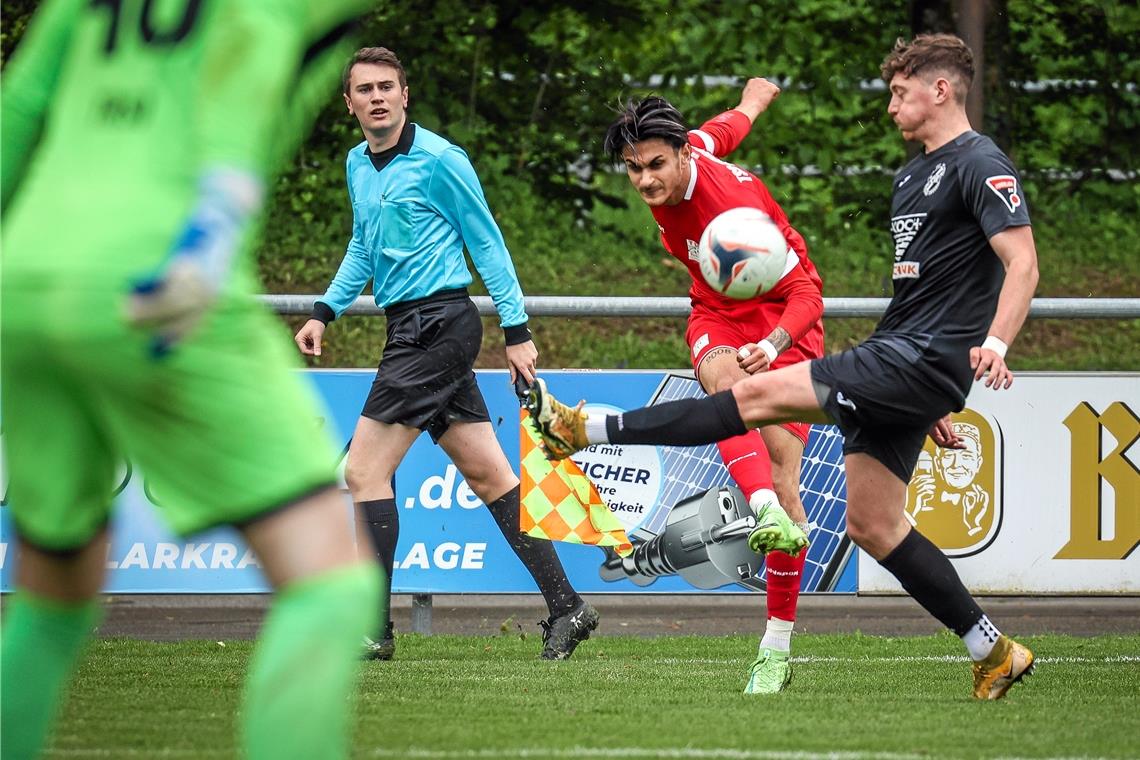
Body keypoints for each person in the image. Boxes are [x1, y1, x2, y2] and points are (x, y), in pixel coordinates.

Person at [528, 33, 1039, 700]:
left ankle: (587, 432)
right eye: (634, 168)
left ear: (939, 89)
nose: (889, 106)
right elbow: (919, 297)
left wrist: (992, 347)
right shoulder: (912, 176)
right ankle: (992, 650)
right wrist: (754, 97)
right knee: (873, 524)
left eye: (898, 92)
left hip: (869, 347)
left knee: (749, 402)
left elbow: (1022, 264)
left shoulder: (980, 162)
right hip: (902, 360)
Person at [0, 1, 380, 758]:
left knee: (53, 592)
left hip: (25, 279)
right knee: (330, 583)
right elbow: (244, 67)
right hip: (161, 278)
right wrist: (211, 230)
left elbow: (18, 111)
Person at [293, 47, 597, 661]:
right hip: (407, 327)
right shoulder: (358, 163)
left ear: (405, 94)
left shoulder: (440, 160)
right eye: (364, 90)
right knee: (490, 476)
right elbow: (363, 245)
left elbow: (487, 242)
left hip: (440, 327)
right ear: (349, 103)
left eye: (387, 87)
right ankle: (570, 608)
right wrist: (325, 311)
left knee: (362, 472)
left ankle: (372, 632)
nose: (377, 97)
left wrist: (516, 329)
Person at [601, 80, 825, 694]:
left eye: (654, 166)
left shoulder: (737, 214)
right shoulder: (686, 151)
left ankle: (776, 646)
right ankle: (763, 513)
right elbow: (724, 128)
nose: (644, 181)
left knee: (784, 472)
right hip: (717, 315)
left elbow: (809, 292)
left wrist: (774, 345)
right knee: (724, 390)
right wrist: (755, 101)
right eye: (632, 168)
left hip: (784, 320)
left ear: (682, 159)